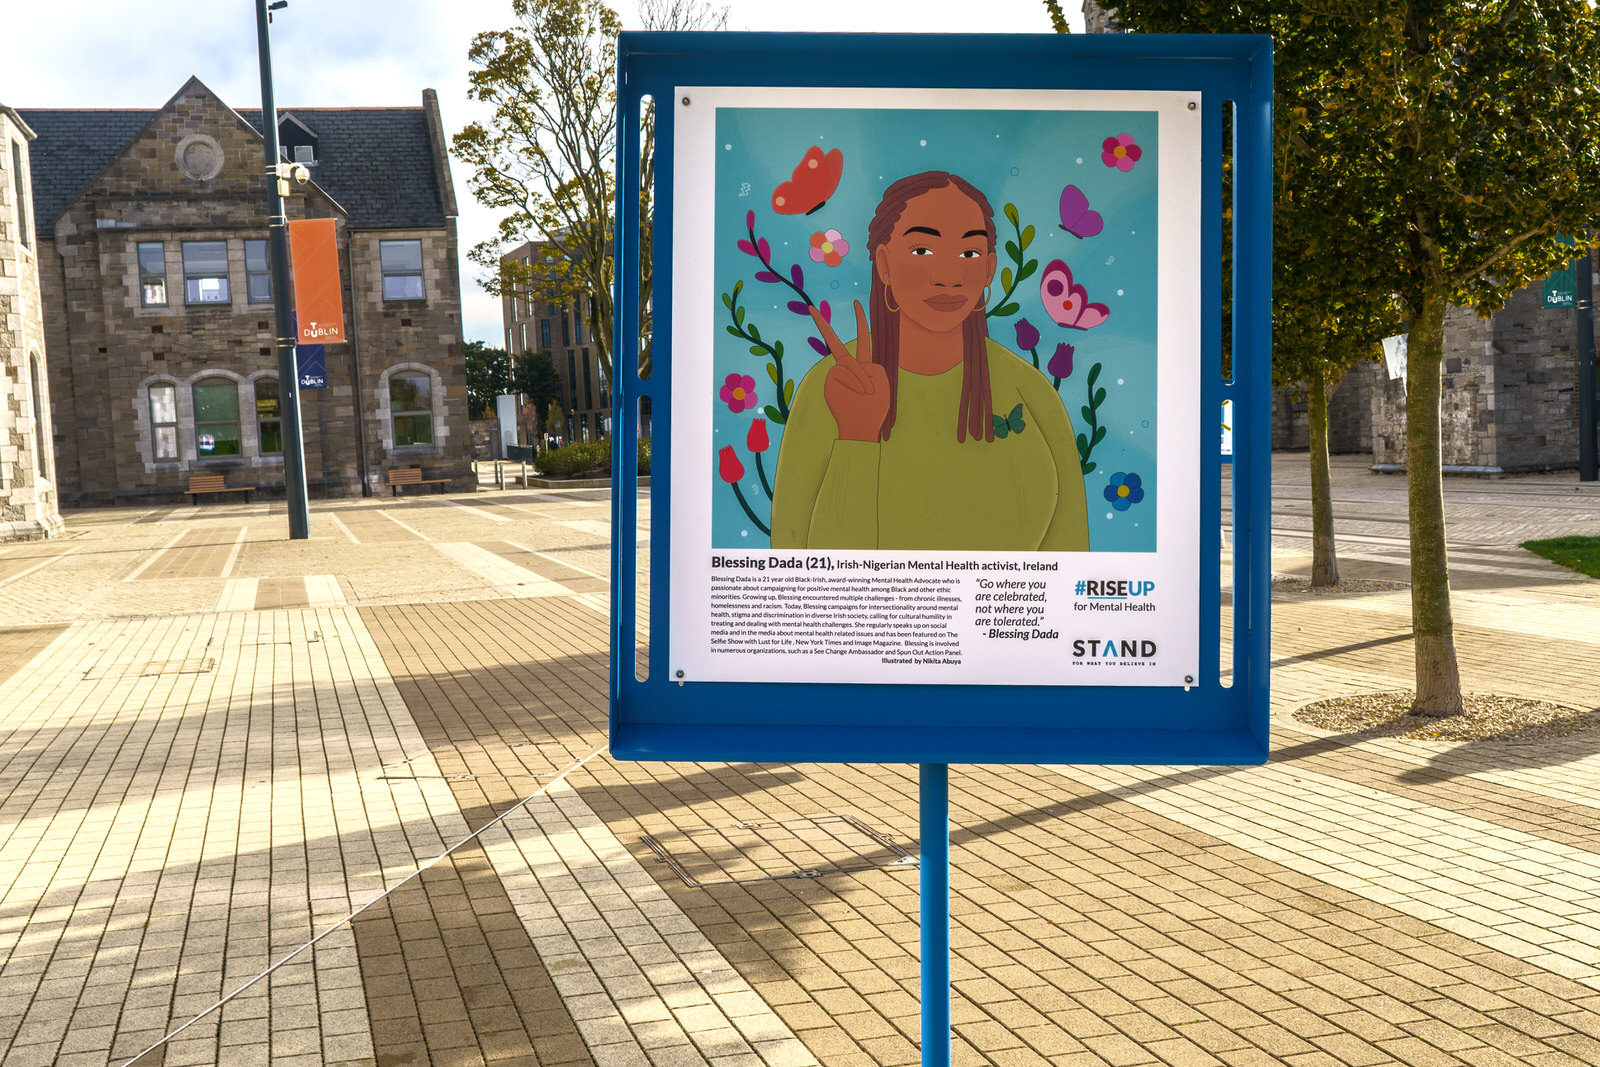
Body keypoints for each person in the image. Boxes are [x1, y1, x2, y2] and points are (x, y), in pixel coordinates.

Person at [769, 171, 1090, 551]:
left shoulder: (1029, 390)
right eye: (922, 250)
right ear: (884, 265)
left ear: (989, 268)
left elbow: (1072, 559)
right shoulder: (834, 386)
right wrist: (856, 437)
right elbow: (799, 572)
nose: (949, 277)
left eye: (969, 253)